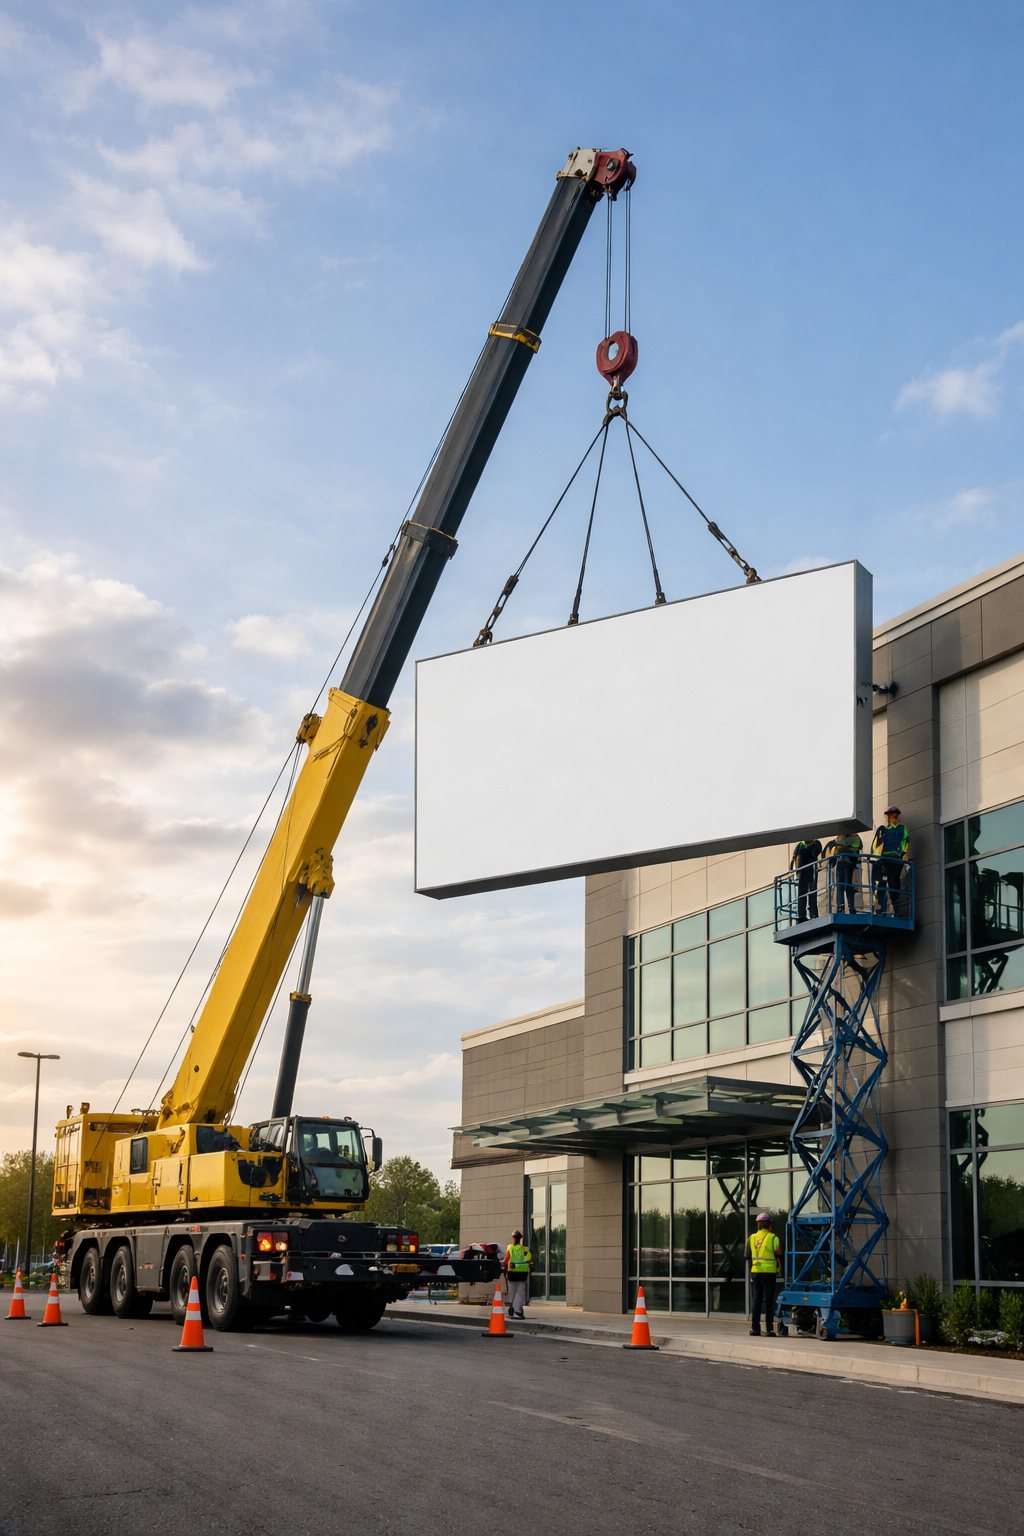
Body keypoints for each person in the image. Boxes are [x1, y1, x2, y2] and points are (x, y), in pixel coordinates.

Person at [747, 1212, 781, 1337]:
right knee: (768, 1301)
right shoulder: (773, 1238)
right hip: (769, 1272)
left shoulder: (751, 1238)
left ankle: (755, 1328)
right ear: (769, 1225)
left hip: (756, 1272)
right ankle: (769, 1329)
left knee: (757, 1300)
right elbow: (779, 1253)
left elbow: (746, 1255)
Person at [872, 807, 910, 916]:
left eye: (895, 816)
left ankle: (895, 906)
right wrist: (878, 859)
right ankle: (880, 908)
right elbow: (876, 845)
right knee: (882, 882)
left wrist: (902, 854)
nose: (894, 818)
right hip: (884, 859)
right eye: (892, 816)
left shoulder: (902, 828)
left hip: (896, 858)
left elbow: (905, 842)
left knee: (894, 881)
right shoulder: (882, 829)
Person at [824, 831, 863, 914]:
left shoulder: (846, 839)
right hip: (848, 864)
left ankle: (841, 908)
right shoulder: (853, 839)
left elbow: (858, 845)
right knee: (847, 886)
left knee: (840, 886)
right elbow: (859, 845)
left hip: (842, 863)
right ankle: (850, 908)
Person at [790, 837, 823, 922]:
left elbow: (817, 852)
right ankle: (802, 914)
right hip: (802, 872)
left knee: (812, 893)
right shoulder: (800, 845)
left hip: (811, 870)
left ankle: (813, 913)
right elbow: (794, 858)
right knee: (802, 894)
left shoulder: (816, 843)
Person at [504, 1229, 532, 1320]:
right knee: (520, 1292)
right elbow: (529, 1260)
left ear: (513, 1239)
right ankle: (517, 1310)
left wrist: (504, 1270)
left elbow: (506, 1260)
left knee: (512, 1290)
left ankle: (513, 1307)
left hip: (512, 1272)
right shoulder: (525, 1249)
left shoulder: (510, 1248)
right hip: (522, 1274)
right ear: (520, 1239)